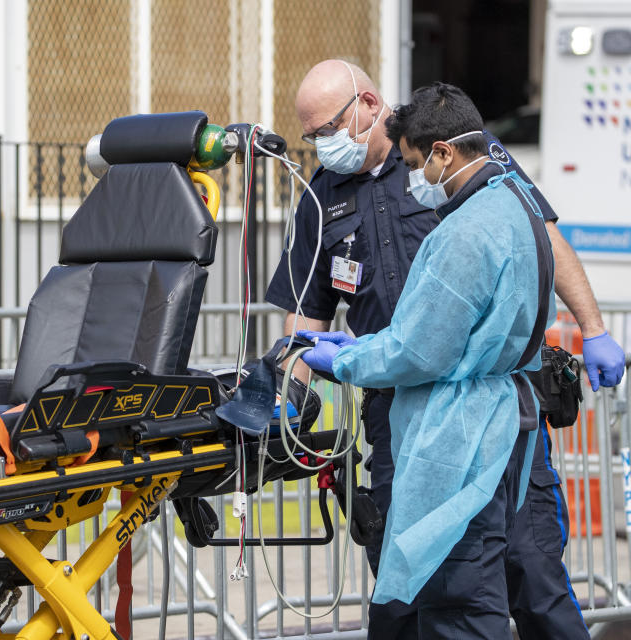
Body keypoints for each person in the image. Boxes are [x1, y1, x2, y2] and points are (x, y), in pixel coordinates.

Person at [264, 61, 624, 639]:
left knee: (530, 573)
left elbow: (541, 237)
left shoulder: (455, 154)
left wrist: (594, 327)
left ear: (368, 104)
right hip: (401, 416)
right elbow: (307, 312)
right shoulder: (322, 197)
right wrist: (289, 396)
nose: (319, 145)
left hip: (493, 408)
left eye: (325, 129)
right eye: (310, 137)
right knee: (411, 579)